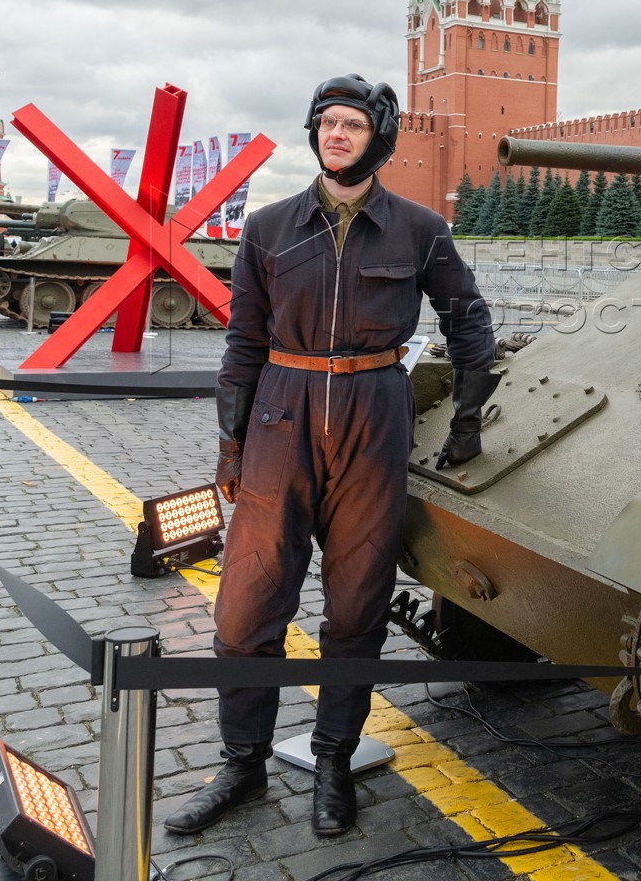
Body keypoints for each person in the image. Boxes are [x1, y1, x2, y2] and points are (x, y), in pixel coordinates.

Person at [165, 75, 498, 838]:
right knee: (245, 607)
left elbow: (469, 317)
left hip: (374, 420)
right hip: (281, 418)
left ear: (380, 139)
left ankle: (333, 760)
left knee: (356, 608)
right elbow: (243, 341)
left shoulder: (419, 230)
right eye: (326, 123)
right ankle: (242, 762)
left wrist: (468, 416)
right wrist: (231, 442)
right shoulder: (270, 228)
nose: (336, 134)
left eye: (352, 124)